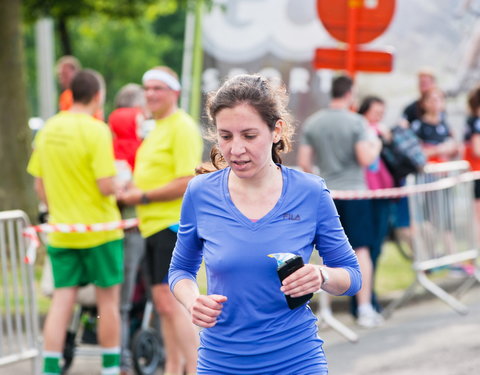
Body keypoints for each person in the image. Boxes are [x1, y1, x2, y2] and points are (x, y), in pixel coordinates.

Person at [168, 74, 362, 374]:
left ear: (276, 131)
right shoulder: (200, 192)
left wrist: (320, 275)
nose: (235, 149)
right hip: (221, 362)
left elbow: (352, 276)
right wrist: (192, 300)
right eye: (225, 136)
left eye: (249, 135)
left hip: (296, 361)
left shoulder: (310, 192)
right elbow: (180, 270)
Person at [27, 69, 124, 375]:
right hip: (102, 230)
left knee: (61, 303)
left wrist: (57, 209)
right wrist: (123, 187)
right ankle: (109, 369)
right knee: (107, 303)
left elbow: (38, 184)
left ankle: (50, 369)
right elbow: (105, 184)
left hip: (62, 231)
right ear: (98, 96)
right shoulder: (97, 130)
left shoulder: (49, 128)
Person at [118, 66, 203, 375]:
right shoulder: (156, 127)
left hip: (173, 225)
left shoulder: (181, 127)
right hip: (152, 226)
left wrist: (140, 196)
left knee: (173, 302)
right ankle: (172, 367)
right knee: (163, 305)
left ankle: (196, 368)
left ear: (174, 93)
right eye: (147, 88)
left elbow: (185, 181)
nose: (151, 94)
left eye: (158, 88)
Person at [297, 75, 383, 328]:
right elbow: (365, 158)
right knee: (361, 251)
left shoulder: (314, 122)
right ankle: (365, 308)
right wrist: (376, 145)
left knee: (326, 253)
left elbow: (304, 162)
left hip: (326, 193)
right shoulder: (356, 122)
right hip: (355, 192)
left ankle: (326, 311)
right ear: (349, 93)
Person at [108, 83, 146, 375]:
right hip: (140, 230)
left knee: (120, 298)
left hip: (115, 229)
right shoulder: (143, 150)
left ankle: (121, 355)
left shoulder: (108, 150)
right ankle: (123, 358)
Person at [356, 96, 395, 315]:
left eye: (382, 112)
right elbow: (367, 159)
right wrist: (378, 141)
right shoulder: (361, 129)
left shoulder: (380, 130)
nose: (379, 116)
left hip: (382, 191)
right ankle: (364, 301)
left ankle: (370, 297)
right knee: (365, 250)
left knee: (376, 249)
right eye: (375, 112)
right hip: (364, 194)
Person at [411, 87, 458, 163]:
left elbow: (455, 149)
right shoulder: (418, 126)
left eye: (440, 99)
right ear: (424, 103)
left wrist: (453, 148)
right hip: (428, 170)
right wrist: (438, 150)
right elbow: (415, 153)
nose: (436, 103)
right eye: (432, 100)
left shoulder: (445, 125)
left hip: (445, 169)